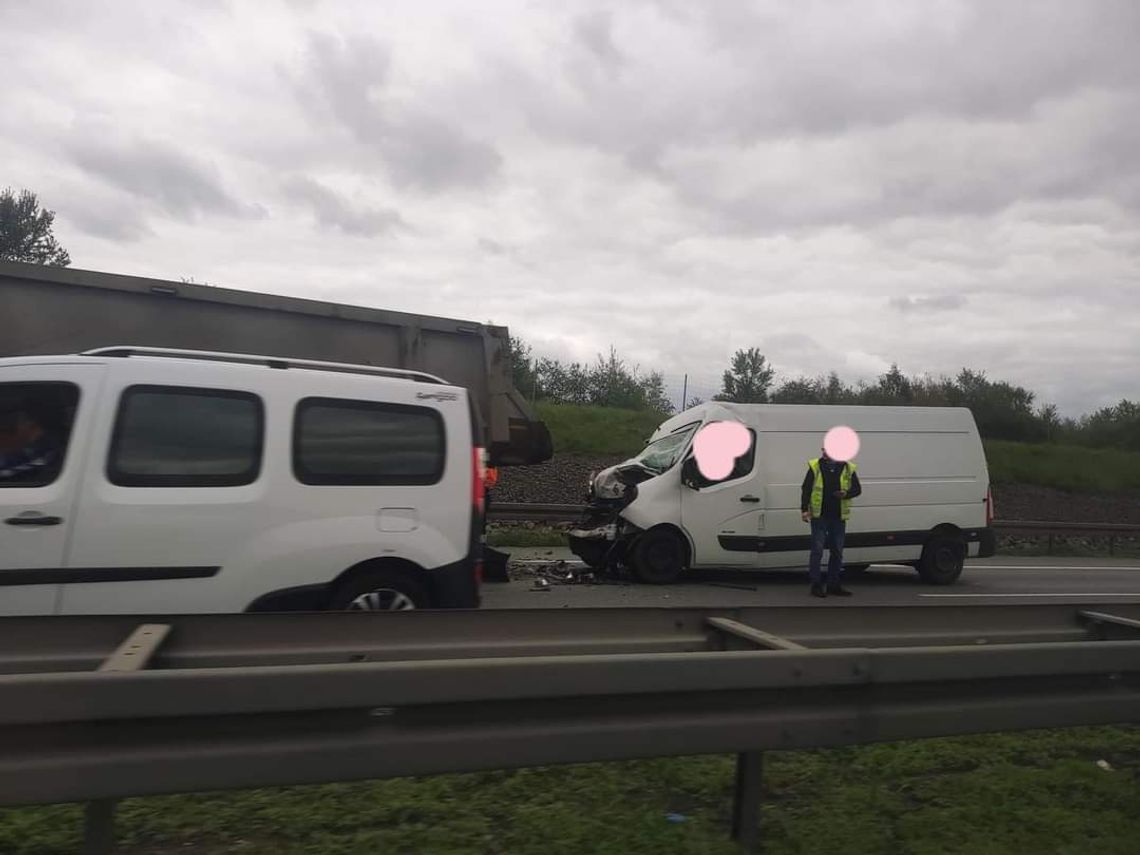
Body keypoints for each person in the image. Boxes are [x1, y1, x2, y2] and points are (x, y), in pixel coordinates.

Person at [800, 446, 862, 598]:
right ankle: (816, 585)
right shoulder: (815, 466)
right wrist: (804, 509)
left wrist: (845, 494)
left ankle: (834, 584)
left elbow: (857, 489)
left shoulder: (848, 467)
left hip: (838, 516)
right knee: (817, 550)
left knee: (837, 551)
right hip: (819, 515)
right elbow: (806, 488)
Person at [0, 394, 63, 485]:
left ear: (31, 421)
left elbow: (10, 470)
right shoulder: (26, 444)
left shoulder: (44, 451)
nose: (5, 425)